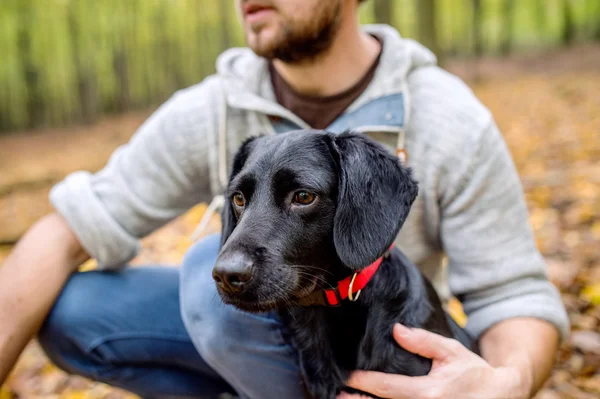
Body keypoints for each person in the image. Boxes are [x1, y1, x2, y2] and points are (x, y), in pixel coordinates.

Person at [0, 0, 569, 398]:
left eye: (300, 194)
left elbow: (514, 293)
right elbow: (67, 227)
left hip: (375, 327)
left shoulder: (453, 120)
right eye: (240, 202)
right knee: (94, 303)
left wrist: (503, 385)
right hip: (254, 326)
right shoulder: (211, 108)